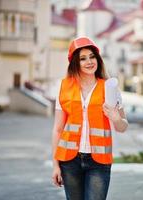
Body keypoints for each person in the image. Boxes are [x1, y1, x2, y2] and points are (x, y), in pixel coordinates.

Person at [51, 36, 128, 200]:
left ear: (98, 59)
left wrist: (115, 117)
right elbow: (58, 129)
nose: (89, 61)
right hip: (69, 161)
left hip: (98, 162)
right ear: (75, 63)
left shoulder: (110, 88)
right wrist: (55, 165)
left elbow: (123, 127)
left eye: (92, 56)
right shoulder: (64, 87)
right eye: (83, 58)